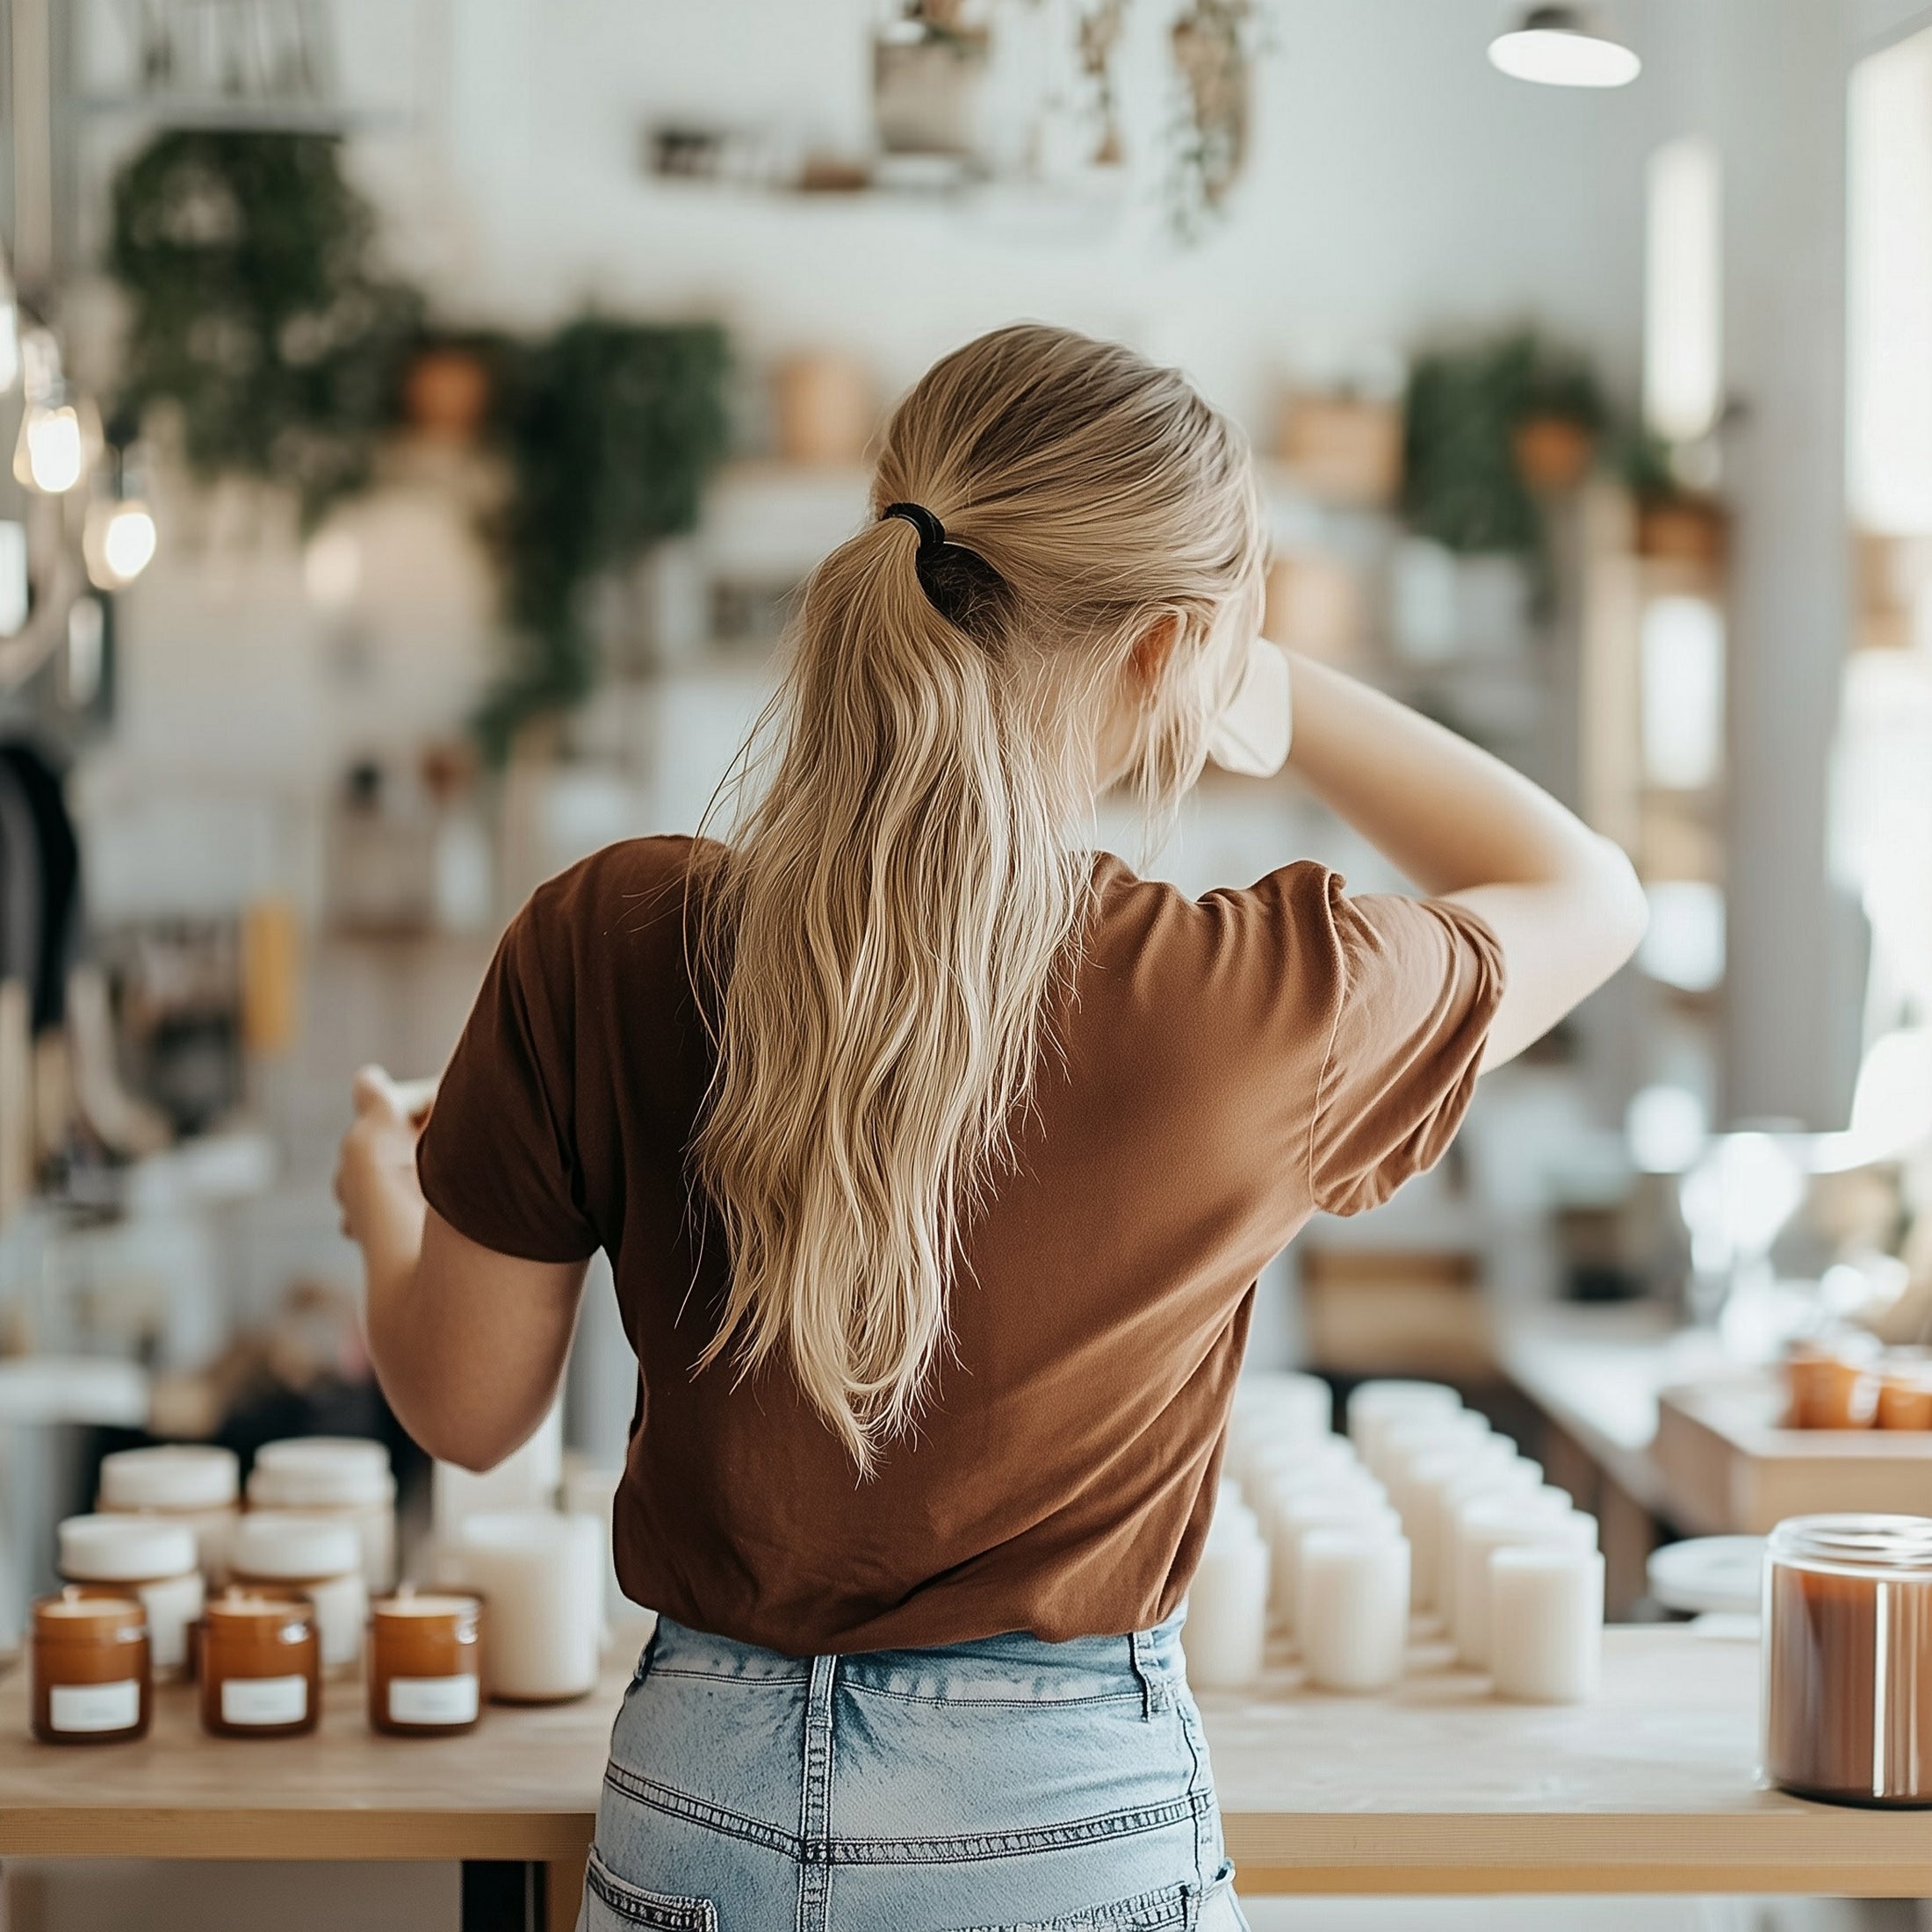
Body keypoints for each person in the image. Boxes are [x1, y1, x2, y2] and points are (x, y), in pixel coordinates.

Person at [336, 323, 1645, 1930]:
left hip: (695, 1813)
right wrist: (1281, 696)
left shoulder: (604, 938)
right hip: (1067, 1837)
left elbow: (468, 1411)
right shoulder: (1250, 1003)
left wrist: (385, 1208)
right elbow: (1593, 892)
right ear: (1167, 651)